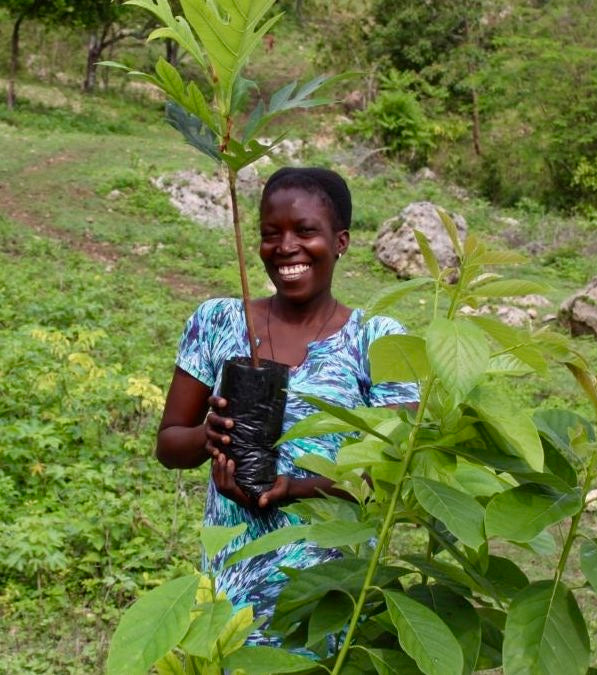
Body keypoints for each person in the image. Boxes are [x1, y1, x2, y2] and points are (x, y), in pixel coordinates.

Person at [156, 167, 418, 645]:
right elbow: (170, 443)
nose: (286, 247)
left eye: (306, 231)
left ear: (340, 241)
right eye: (270, 234)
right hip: (231, 592)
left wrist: (296, 488)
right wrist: (206, 436)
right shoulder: (217, 321)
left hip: (329, 596)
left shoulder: (377, 342)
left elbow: (392, 475)